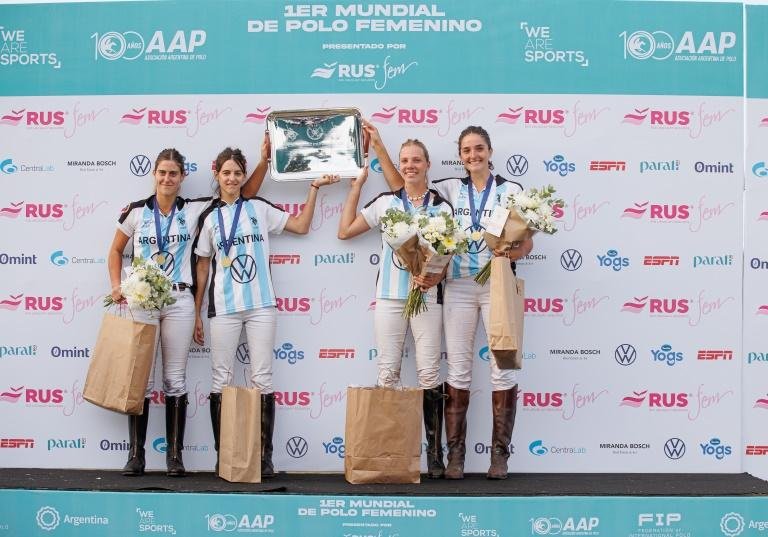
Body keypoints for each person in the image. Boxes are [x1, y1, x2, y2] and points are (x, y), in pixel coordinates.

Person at [373, 123, 533, 480]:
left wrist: (512, 250)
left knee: (502, 365)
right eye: (466, 151)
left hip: (498, 286)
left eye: (478, 149)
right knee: (458, 368)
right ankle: (455, 456)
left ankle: (499, 456)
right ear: (459, 156)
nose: (472, 155)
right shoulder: (446, 189)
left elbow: (527, 242)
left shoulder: (512, 191)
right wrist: (381, 148)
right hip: (458, 287)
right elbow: (403, 186)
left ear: (490, 152)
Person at [108, 143, 268, 478]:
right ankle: (136, 455)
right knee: (140, 379)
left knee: (175, 379)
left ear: (182, 177)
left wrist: (265, 159)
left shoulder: (195, 209)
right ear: (154, 175)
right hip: (141, 301)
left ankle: (174, 457)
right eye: (162, 172)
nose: (167, 178)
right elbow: (114, 252)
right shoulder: (137, 212)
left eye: (173, 173)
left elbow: (241, 192)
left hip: (179, 301)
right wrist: (116, 286)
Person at [193, 147, 338, 478]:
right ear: (216, 175)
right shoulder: (209, 217)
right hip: (224, 308)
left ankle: (264, 457)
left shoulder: (258, 207)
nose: (231, 178)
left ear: (244, 176)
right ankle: (224, 455)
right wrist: (198, 311)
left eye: (237, 173)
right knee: (221, 379)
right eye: (226, 172)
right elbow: (203, 266)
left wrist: (313, 189)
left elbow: (300, 226)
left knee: (262, 377)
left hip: (261, 305)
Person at [338, 136, 452, 479]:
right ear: (399, 166)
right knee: (388, 372)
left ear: (427, 164)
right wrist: (356, 187)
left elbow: (447, 255)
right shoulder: (387, 202)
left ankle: (434, 456)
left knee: (430, 373)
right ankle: (388, 452)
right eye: (405, 161)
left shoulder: (441, 207)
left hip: (427, 298)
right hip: (389, 296)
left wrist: (433, 276)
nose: (410, 166)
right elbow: (345, 231)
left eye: (417, 160)